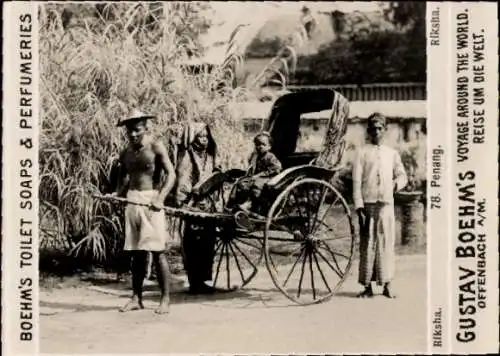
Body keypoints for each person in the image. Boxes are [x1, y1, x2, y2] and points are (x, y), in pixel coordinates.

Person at [111, 109, 176, 314]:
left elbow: (171, 175)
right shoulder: (126, 152)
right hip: (133, 201)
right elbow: (124, 177)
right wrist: (118, 194)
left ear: (146, 127)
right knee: (137, 253)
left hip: (151, 201)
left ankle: (165, 300)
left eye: (137, 130)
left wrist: (160, 198)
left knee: (158, 252)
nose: (132, 135)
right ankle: (136, 298)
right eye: (129, 131)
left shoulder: (156, 147)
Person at [352, 113, 408, 299]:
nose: (376, 131)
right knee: (368, 245)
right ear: (369, 130)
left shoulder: (391, 153)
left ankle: (387, 285)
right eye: (373, 128)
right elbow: (357, 180)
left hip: (385, 204)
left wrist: (394, 184)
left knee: (386, 243)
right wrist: (359, 206)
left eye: (380, 128)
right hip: (368, 204)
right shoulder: (362, 152)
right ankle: (367, 287)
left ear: (384, 130)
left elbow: (402, 175)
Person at [175, 122, 218, 294]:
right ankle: (194, 281)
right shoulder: (187, 157)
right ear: (193, 138)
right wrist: (184, 202)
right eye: (200, 136)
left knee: (208, 242)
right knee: (193, 242)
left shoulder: (209, 156)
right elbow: (183, 181)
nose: (204, 140)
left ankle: (203, 280)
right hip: (193, 204)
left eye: (206, 137)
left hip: (209, 205)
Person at [227, 131, 282, 212]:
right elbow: (251, 167)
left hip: (269, 178)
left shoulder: (270, 157)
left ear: (269, 146)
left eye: (263, 144)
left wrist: (261, 174)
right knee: (241, 183)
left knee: (256, 185)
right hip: (257, 177)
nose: (260, 147)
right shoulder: (255, 156)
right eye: (258, 144)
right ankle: (233, 203)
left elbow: (277, 168)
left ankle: (250, 204)